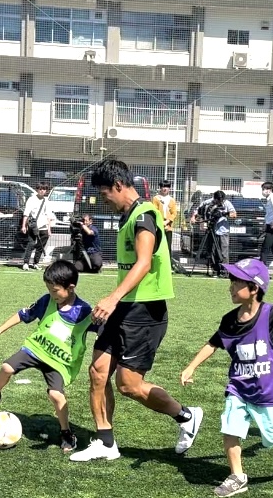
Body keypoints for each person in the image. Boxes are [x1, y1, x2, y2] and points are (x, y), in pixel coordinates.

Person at [69, 160, 202, 462]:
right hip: (123, 308)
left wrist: (113, 297)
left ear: (118, 185)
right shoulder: (126, 216)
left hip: (146, 311)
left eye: (105, 194)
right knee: (98, 372)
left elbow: (143, 263)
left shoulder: (145, 216)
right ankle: (105, 442)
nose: (104, 200)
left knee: (129, 385)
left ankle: (186, 416)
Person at [180, 258, 273, 498]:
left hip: (267, 391)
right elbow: (213, 343)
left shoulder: (270, 313)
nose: (230, 286)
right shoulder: (229, 320)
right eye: (231, 281)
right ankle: (237, 476)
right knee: (230, 427)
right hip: (239, 387)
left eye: (236, 282)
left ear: (254, 288)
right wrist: (191, 367)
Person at [0, 261, 96, 453]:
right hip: (36, 349)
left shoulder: (85, 311)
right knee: (6, 367)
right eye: (49, 290)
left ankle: (66, 432)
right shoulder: (47, 301)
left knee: (56, 395)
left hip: (59, 362)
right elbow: (23, 314)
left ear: (71, 288)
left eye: (55, 291)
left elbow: (104, 331)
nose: (52, 294)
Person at [190, 190, 236, 277]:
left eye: (221, 200)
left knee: (223, 251)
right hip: (211, 229)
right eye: (218, 200)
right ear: (214, 198)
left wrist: (223, 213)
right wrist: (193, 217)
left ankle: (224, 271)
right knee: (212, 250)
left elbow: (234, 214)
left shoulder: (227, 203)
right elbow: (197, 210)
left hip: (223, 230)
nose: (219, 202)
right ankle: (215, 270)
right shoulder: (208, 202)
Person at [21, 183, 55, 271]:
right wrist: (24, 226)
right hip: (33, 226)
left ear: (46, 191)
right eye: (40, 189)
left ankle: (36, 263)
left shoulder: (47, 201)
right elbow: (26, 213)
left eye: (44, 189)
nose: (42, 190)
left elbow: (49, 216)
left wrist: (49, 229)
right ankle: (26, 263)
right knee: (31, 244)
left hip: (44, 226)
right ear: (37, 189)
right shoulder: (31, 199)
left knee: (41, 246)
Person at [154, 180, 179, 251]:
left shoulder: (172, 200)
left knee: (168, 246)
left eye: (167, 187)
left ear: (169, 189)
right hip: (158, 225)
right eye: (163, 187)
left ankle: (168, 261)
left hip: (168, 226)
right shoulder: (156, 198)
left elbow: (174, 213)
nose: (165, 188)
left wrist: (167, 221)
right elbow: (155, 211)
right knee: (157, 246)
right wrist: (159, 221)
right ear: (160, 188)